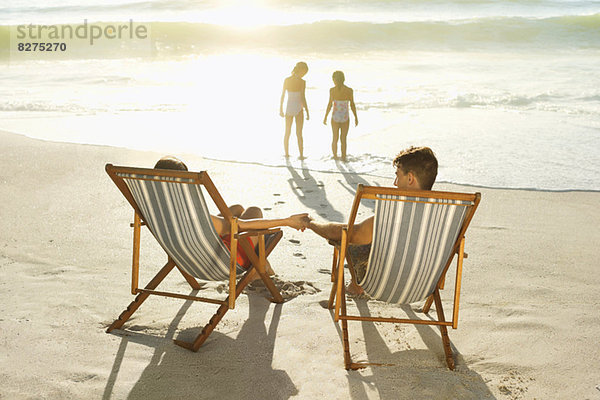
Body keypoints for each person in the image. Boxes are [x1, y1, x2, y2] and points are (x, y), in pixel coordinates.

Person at [306, 146, 438, 294]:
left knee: (348, 239)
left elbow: (351, 234)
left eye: (397, 175)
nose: (395, 183)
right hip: (423, 287)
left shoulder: (395, 216)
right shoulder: (443, 217)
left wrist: (310, 223)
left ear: (410, 178)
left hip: (384, 286)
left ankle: (356, 286)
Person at [154, 156, 309, 273]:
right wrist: (287, 221)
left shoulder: (156, 209)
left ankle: (261, 264)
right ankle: (260, 267)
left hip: (188, 258)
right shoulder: (190, 214)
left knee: (237, 208)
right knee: (254, 211)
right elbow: (241, 226)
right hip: (224, 261)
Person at [323, 71, 358, 161]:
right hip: (345, 116)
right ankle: (343, 157)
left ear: (335, 79)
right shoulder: (349, 90)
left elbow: (329, 104)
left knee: (335, 138)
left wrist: (325, 116)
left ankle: (335, 157)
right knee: (343, 139)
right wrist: (355, 117)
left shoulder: (332, 90)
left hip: (335, 116)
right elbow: (352, 104)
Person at [280, 61, 309, 159]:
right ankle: (301, 155)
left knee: (287, 131)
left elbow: (283, 95)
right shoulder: (302, 82)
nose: (304, 74)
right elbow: (303, 97)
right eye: (304, 72)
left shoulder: (287, 80)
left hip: (289, 107)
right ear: (301, 70)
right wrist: (307, 111)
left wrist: (280, 108)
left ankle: (287, 154)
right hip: (298, 108)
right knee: (299, 133)